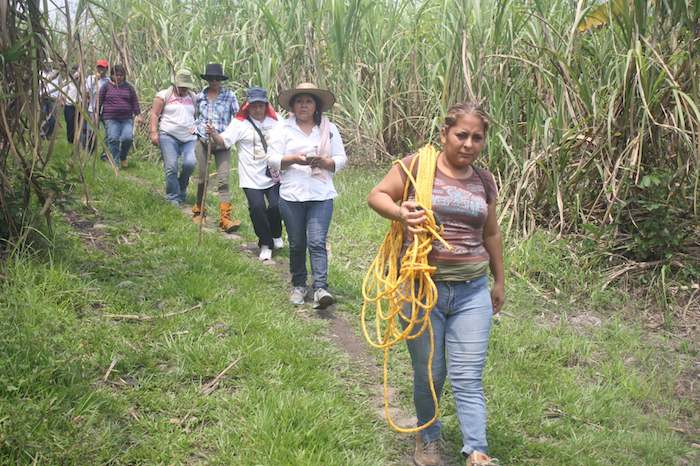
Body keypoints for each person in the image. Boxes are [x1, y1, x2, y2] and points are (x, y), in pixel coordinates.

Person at [367, 102, 505, 466]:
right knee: (431, 372)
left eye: (477, 138)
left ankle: (477, 450)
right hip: (421, 287)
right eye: (461, 135)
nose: (469, 144)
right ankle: (428, 438)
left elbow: (490, 233)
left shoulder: (484, 181)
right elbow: (377, 195)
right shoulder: (415, 167)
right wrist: (401, 212)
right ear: (444, 134)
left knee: (468, 374)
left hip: (472, 289)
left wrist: (499, 280)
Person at [268, 82, 347, 309]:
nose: (304, 105)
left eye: (309, 101)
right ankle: (299, 284)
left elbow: (341, 159)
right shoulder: (282, 129)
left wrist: (325, 162)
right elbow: (272, 159)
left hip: (320, 194)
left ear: (316, 106)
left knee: (317, 241)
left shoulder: (329, 129)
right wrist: (293, 159)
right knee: (297, 243)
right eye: (299, 101)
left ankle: (321, 287)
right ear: (292, 105)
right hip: (292, 195)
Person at [207, 86, 284, 260]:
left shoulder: (277, 121)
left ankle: (276, 233)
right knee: (257, 208)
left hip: (273, 174)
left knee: (276, 206)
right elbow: (223, 142)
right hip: (251, 177)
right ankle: (265, 243)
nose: (258, 109)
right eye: (254, 105)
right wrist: (213, 134)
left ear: (266, 105)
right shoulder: (239, 124)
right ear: (247, 106)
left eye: (261, 105)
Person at [192, 63, 241, 233]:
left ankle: (225, 218)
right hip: (203, 141)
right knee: (203, 177)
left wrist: (228, 135)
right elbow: (195, 116)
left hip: (222, 142)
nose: (214, 82)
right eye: (211, 79)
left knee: (223, 179)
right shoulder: (200, 97)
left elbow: (238, 118)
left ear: (221, 80)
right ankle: (199, 209)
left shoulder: (230, 96)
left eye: (217, 79)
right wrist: (196, 128)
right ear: (207, 80)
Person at [149, 69, 198, 206]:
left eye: (186, 87)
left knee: (190, 163)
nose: (184, 89)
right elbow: (154, 114)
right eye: (181, 86)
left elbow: (197, 116)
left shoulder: (193, 97)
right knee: (171, 167)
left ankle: (182, 187)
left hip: (189, 138)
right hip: (168, 136)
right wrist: (153, 132)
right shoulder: (164, 95)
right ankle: (173, 196)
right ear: (175, 84)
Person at [99, 64, 142, 169]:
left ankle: (123, 157)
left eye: (121, 75)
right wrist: (96, 114)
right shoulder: (106, 86)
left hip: (126, 119)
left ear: (124, 76)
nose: (118, 77)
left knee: (128, 138)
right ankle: (115, 162)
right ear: (112, 75)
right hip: (110, 118)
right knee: (113, 139)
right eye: (116, 75)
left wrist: (138, 114)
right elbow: (99, 101)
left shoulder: (129, 87)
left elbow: (134, 102)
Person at [81, 59, 110, 153]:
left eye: (103, 68)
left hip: (106, 111)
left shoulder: (109, 81)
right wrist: (95, 80)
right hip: (93, 109)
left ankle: (105, 153)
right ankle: (90, 151)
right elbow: (86, 91)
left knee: (109, 132)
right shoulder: (90, 78)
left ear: (107, 69)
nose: (101, 69)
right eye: (99, 67)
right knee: (91, 132)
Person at [61, 65, 80, 144]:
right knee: (70, 123)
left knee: (78, 123)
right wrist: (63, 102)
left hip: (79, 106)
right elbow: (62, 94)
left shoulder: (81, 83)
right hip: (69, 106)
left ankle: (78, 139)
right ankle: (70, 140)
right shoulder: (67, 82)